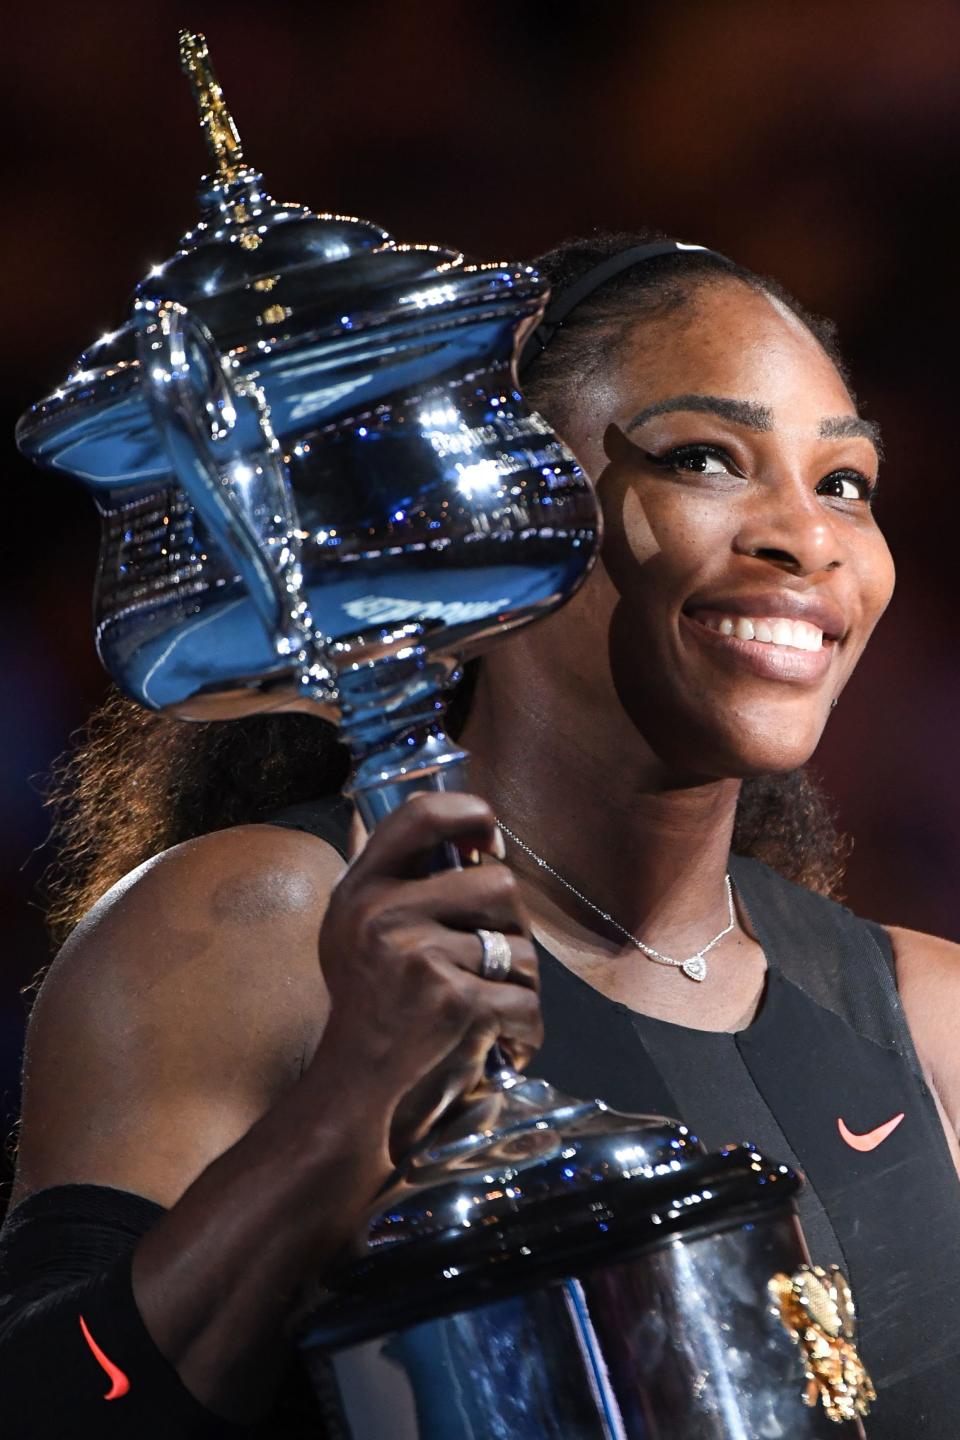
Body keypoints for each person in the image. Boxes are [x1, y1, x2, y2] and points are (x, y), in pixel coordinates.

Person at [2, 232, 958, 1438]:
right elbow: (54, 1409)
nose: (807, 537)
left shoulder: (929, 1020)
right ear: (496, 509)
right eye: (708, 458)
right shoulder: (261, 929)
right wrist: (344, 1121)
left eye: (845, 483)